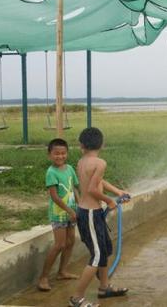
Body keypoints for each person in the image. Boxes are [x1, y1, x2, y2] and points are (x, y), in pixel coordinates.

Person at [69, 127, 129, 307]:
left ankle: (104, 288)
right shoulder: (100, 162)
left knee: (104, 250)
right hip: (89, 214)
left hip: (88, 213)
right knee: (96, 255)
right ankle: (76, 298)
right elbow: (92, 189)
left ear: (81, 145)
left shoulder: (82, 161)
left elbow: (97, 181)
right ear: (102, 144)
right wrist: (109, 201)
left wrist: (117, 191)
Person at [37, 138, 80, 292]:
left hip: (72, 211)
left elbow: (74, 188)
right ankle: (43, 277)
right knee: (59, 244)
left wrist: (79, 205)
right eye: (56, 154)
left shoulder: (69, 168)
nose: (60, 156)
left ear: (67, 154)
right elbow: (54, 197)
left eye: (63, 153)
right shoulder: (51, 172)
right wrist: (69, 210)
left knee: (70, 241)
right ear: (49, 155)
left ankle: (62, 271)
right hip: (59, 213)